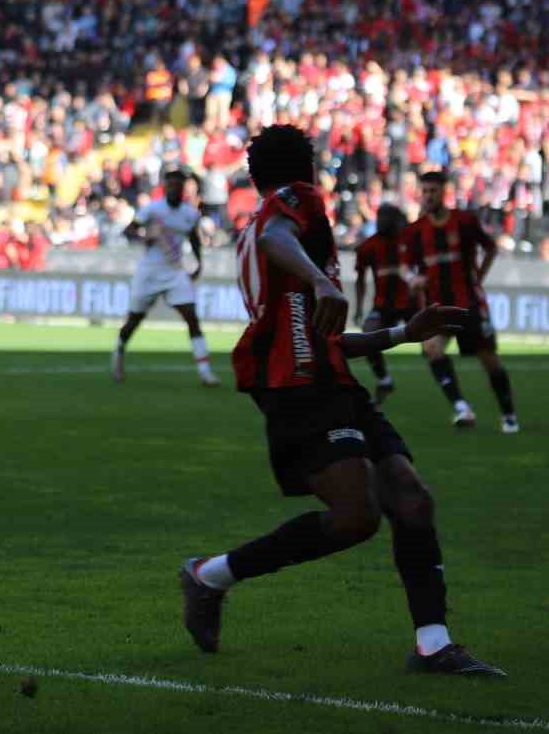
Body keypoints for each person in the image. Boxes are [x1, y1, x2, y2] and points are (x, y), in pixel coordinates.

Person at [179, 124, 504, 677]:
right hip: (296, 388)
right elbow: (274, 240)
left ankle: (433, 644)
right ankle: (209, 575)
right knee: (357, 517)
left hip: (327, 381)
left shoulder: (281, 224)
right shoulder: (291, 207)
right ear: (303, 167)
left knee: (410, 497)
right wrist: (323, 281)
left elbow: (327, 340)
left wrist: (403, 332)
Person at [401, 170, 520, 433]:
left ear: (445, 192)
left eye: (434, 191)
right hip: (438, 306)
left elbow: (490, 247)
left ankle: (508, 414)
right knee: (432, 347)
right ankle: (461, 407)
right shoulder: (416, 231)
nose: (429, 196)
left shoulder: (464, 221)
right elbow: (407, 266)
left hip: (469, 304)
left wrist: (479, 275)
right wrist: (412, 278)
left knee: (488, 359)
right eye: (425, 191)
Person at [112, 167, 219, 387]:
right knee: (134, 320)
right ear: (165, 187)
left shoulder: (190, 214)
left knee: (192, 317)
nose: (174, 188)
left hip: (175, 270)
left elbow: (195, 239)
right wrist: (145, 235)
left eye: (178, 184)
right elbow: (129, 231)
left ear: (183, 188)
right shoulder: (152, 209)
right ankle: (118, 353)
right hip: (149, 271)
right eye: (171, 184)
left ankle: (205, 372)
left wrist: (198, 264)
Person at [354, 203, 417, 404]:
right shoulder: (368, 246)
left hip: (411, 302)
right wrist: (358, 307)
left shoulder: (409, 240)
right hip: (383, 305)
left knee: (432, 346)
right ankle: (384, 379)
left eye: (386, 217)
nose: (381, 221)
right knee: (368, 335)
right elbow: (360, 279)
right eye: (379, 216)